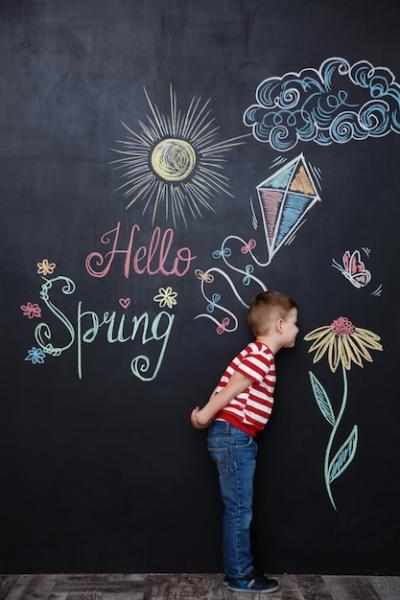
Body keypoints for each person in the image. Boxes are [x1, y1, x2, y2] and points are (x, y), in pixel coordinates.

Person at [191, 290, 298, 594]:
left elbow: (227, 385)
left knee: (238, 507)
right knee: (239, 509)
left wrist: (208, 414)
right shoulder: (261, 354)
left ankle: (238, 570)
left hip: (235, 437)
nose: (297, 330)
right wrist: (205, 416)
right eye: (294, 323)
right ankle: (239, 574)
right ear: (279, 325)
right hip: (235, 437)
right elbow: (234, 387)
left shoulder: (254, 354)